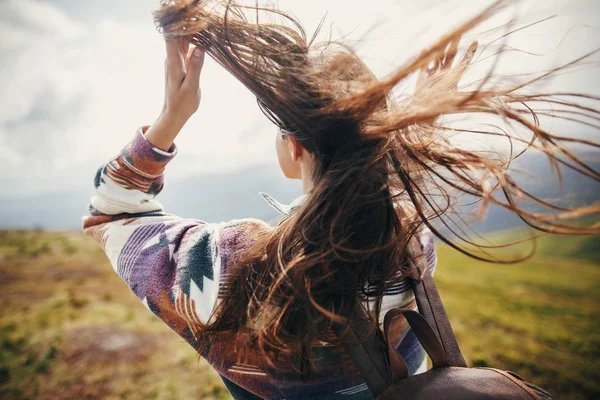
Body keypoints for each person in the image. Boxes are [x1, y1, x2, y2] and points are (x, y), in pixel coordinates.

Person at [82, 1, 599, 399]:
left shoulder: (233, 264)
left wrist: (171, 117)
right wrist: (421, 119)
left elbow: (113, 212)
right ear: (380, 139)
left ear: (295, 147)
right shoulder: (411, 245)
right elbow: (379, 192)